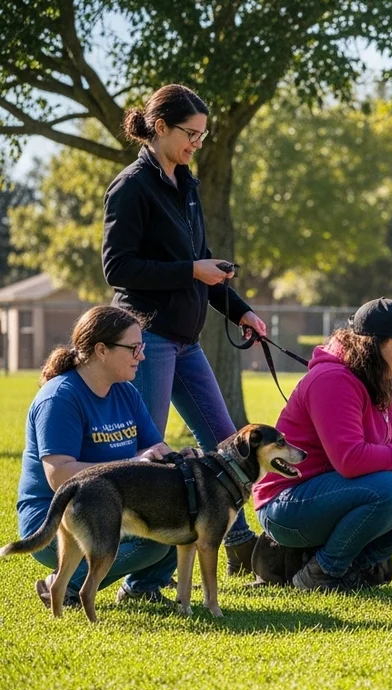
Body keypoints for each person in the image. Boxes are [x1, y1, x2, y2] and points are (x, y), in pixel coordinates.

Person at [102, 84, 268, 575]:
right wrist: (190, 270)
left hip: (186, 341)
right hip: (146, 339)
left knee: (226, 440)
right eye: (190, 134)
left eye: (202, 135)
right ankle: (143, 573)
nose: (197, 142)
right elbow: (119, 268)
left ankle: (237, 543)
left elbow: (203, 265)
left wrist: (241, 311)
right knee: (148, 457)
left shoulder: (188, 184)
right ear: (159, 128)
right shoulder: (130, 186)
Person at [253, 298, 392, 592]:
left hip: (336, 494)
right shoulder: (332, 380)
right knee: (391, 490)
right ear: (373, 344)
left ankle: (349, 565)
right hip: (286, 505)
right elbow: (350, 460)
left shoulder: (379, 376)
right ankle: (322, 573)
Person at [16, 306, 181, 609]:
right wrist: (131, 465)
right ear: (101, 350)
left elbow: (155, 449)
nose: (141, 356)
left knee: (180, 513)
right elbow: (59, 475)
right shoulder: (61, 397)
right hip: (55, 518)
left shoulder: (126, 393)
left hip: (114, 506)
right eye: (133, 348)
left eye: (141, 347)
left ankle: (142, 589)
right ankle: (63, 584)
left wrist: (178, 460)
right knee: (151, 543)